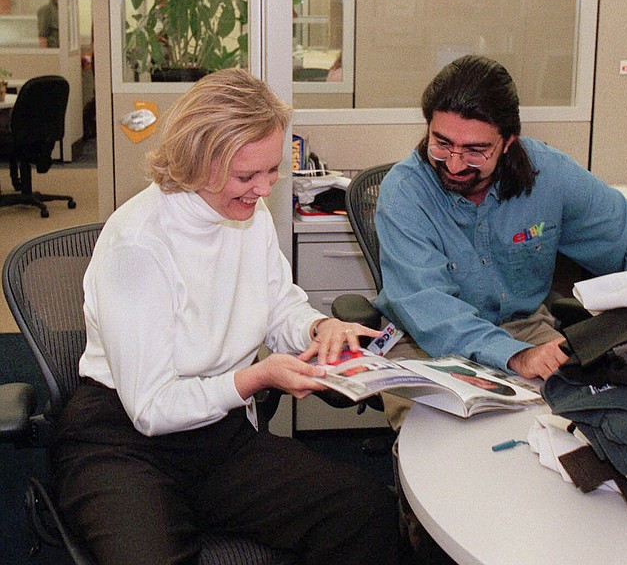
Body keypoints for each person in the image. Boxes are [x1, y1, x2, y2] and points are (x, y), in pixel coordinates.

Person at [52, 68, 399, 565]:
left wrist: (318, 328)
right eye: (246, 176)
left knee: (364, 514)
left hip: (218, 431)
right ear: (196, 161)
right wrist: (254, 378)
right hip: (123, 439)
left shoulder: (246, 217)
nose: (263, 189)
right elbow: (151, 408)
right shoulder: (139, 243)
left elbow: (279, 303)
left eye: (271, 170)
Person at [374, 55, 627, 428]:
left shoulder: (549, 174)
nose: (453, 164)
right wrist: (514, 356)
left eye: (475, 150)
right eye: (442, 143)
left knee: (575, 426)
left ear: (508, 142)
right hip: (422, 338)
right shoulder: (404, 193)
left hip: (524, 327)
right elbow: (427, 306)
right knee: (441, 444)